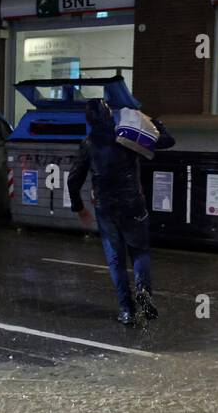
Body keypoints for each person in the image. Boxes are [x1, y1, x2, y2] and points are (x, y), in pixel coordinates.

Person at [67, 96, 175, 326]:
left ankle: (126, 310)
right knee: (140, 253)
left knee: (116, 260)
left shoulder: (87, 144)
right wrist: (154, 122)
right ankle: (146, 307)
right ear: (109, 115)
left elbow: (73, 180)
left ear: (88, 120)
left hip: (106, 209)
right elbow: (167, 141)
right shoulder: (127, 136)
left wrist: (79, 208)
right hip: (133, 205)